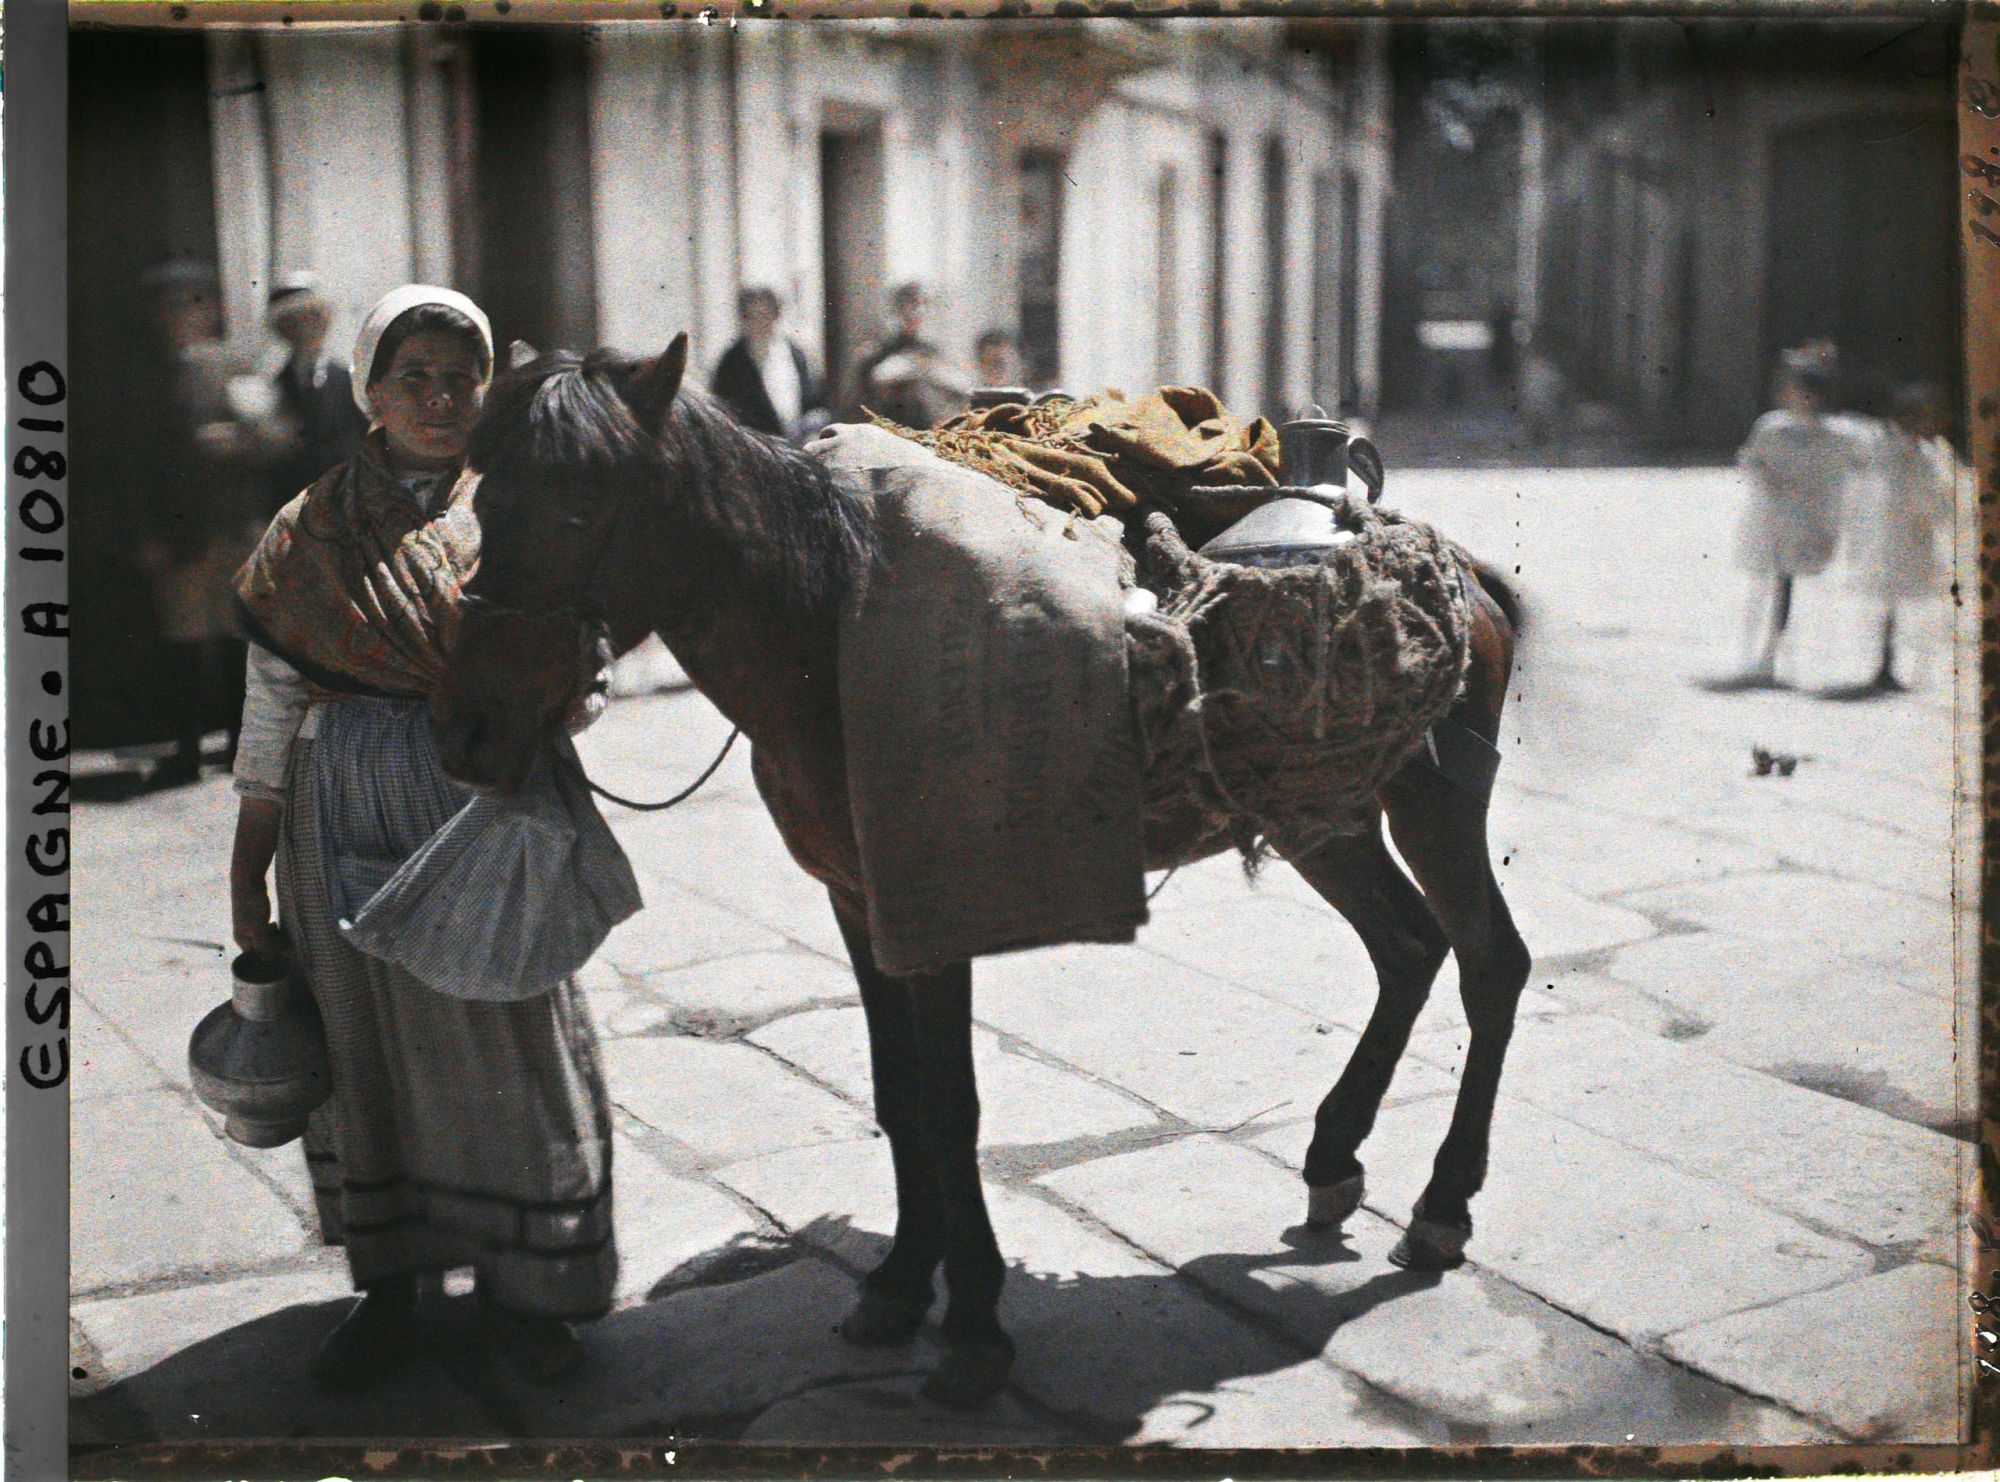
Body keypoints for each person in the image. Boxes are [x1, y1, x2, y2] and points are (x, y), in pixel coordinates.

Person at [228, 286, 618, 1390]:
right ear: (371, 392)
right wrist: (246, 880)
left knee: (509, 1042)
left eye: (460, 377)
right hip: (341, 810)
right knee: (366, 1059)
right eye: (416, 378)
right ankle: (392, 1293)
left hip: (488, 807)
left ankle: (526, 1292)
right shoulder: (306, 531)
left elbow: (584, 668)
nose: (441, 399)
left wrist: (558, 699)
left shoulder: (520, 514)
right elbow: (268, 709)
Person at [133, 261, 274, 786]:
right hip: (178, 532)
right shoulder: (146, 378)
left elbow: (274, 440)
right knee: (185, 642)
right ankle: (187, 750)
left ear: (212, 309)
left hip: (234, 525)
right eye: (169, 305)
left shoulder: (236, 367)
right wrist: (147, 533)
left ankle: (242, 744)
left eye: (193, 302)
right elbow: (135, 465)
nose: (181, 315)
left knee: (239, 639)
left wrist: (237, 441)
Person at [1702, 341, 1863, 692]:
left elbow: (1846, 473)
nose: (1803, 401)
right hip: (1773, 520)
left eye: (1810, 394)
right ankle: (1761, 655)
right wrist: (1768, 480)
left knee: (1794, 587)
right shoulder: (1772, 428)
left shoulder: (1834, 437)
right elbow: (1752, 462)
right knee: (1768, 586)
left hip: (1806, 522)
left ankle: (1785, 656)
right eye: (1797, 393)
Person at [1822, 382, 1955, 699]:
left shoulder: (1919, 451)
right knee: (1890, 600)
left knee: (1898, 602)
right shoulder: (1896, 449)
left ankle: (1893, 662)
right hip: (1892, 536)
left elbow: (1934, 497)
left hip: (1908, 535)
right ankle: (1885, 662)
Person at [265, 271, 368, 514]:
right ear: (283, 330)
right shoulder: (272, 385)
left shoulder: (350, 379)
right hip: (294, 503)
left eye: (314, 317)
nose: (307, 328)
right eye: (294, 321)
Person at [710, 286, 826, 442]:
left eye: (765, 315)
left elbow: (812, 400)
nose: (760, 323)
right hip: (758, 449)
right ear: (743, 319)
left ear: (775, 315)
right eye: (752, 316)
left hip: (798, 445)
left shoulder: (795, 353)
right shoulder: (731, 362)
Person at [845, 282, 964, 428]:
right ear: (897, 311)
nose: (918, 312)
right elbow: (859, 400)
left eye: (924, 305)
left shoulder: (934, 352)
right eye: (911, 305)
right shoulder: (875, 353)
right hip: (886, 429)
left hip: (927, 431)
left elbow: (959, 389)